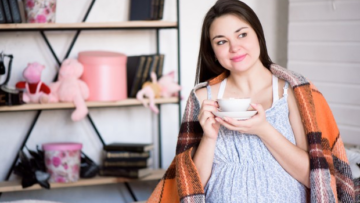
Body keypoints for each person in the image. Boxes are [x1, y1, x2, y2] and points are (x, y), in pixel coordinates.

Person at [148, 0, 357, 202]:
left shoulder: (293, 91)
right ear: (213, 52)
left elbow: (314, 178)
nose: (234, 47)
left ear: (258, 35)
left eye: (242, 34)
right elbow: (192, 188)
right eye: (221, 41)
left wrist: (264, 129)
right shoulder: (203, 98)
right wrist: (209, 138)